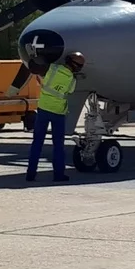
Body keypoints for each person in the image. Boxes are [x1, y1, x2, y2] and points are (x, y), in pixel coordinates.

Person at [27, 50, 84, 183]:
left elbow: (38, 70)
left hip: (43, 109)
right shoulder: (72, 80)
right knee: (58, 146)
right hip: (58, 113)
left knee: (37, 143)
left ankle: (31, 174)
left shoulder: (52, 68)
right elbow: (69, 91)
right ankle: (58, 175)